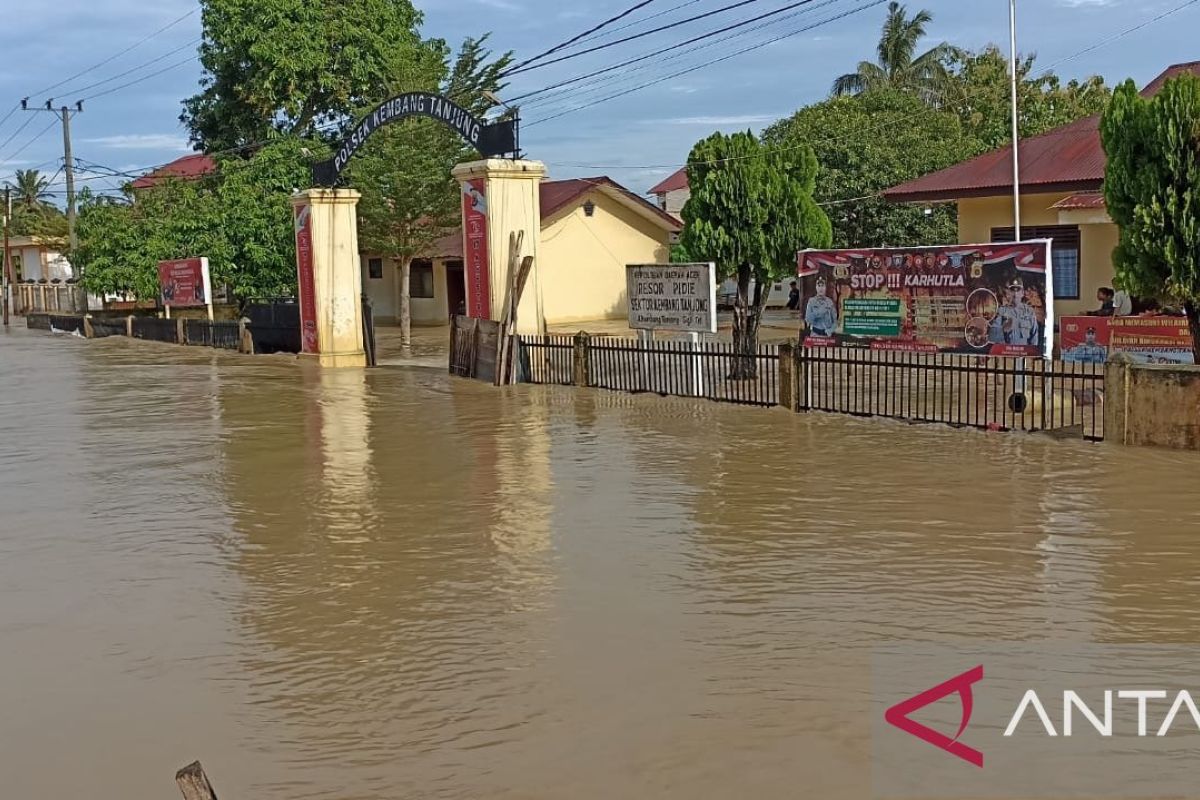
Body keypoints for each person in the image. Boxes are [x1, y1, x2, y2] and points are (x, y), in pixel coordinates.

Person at [996, 278, 1039, 347]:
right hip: (1006, 354)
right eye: (1012, 290)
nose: (1015, 293)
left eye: (1018, 290)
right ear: (1009, 293)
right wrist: (1003, 330)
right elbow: (994, 337)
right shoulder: (1002, 311)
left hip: (1024, 354)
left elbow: (1034, 336)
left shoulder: (1029, 312)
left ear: (1022, 293)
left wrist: (1031, 354)